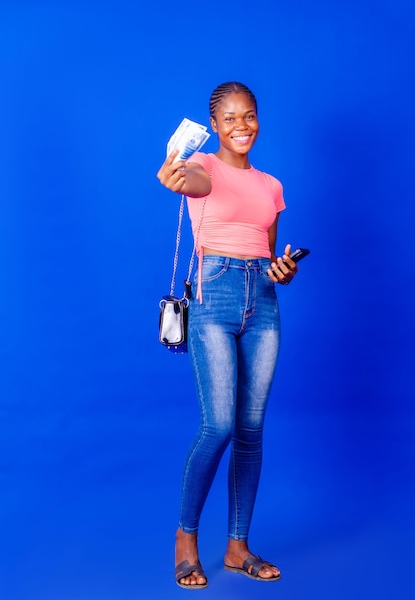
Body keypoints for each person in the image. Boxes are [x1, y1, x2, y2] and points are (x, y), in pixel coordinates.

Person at [157, 81, 298, 589]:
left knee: (251, 429)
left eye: (250, 116)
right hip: (213, 297)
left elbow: (266, 251)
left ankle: (238, 547)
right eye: (231, 118)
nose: (242, 126)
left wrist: (282, 270)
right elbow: (186, 181)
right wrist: (174, 172)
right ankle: (186, 538)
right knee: (217, 424)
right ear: (214, 125)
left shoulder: (271, 186)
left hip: (262, 301)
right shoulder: (206, 169)